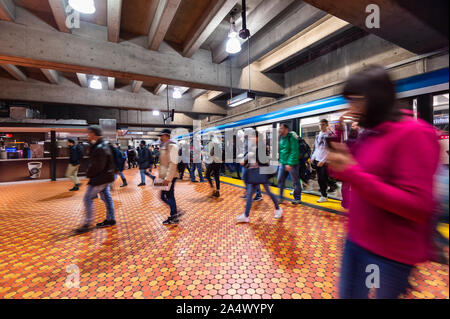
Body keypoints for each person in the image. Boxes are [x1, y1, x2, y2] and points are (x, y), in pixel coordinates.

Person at [327, 65, 440, 299]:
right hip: (356, 240)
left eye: (355, 101)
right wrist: (339, 139)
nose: (351, 108)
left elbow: (417, 205)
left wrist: (352, 172)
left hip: (389, 252)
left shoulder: (414, 134)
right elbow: (350, 173)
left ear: (375, 99)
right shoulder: (371, 133)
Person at [75, 126, 116, 233]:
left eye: (89, 133)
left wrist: (89, 173)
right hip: (106, 176)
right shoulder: (103, 145)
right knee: (106, 198)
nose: (88, 135)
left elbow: (98, 166)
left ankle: (87, 223)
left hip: (100, 178)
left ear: (94, 134)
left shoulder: (100, 147)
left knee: (87, 198)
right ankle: (111, 219)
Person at [236, 134, 283, 223]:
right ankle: (246, 215)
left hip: (261, 173)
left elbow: (263, 159)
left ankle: (278, 209)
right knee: (249, 194)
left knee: (269, 192)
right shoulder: (252, 147)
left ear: (258, 138)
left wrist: (250, 157)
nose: (252, 139)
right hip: (252, 173)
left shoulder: (262, 147)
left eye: (254, 137)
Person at [158, 129, 181, 225]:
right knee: (163, 196)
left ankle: (174, 215)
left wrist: (168, 178)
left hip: (170, 176)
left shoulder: (172, 146)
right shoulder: (165, 146)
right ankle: (175, 212)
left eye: (162, 135)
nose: (160, 137)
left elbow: (173, 163)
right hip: (164, 175)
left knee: (168, 195)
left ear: (167, 136)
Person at [277, 124, 302, 205]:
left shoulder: (292, 137)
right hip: (283, 163)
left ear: (286, 129)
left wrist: (289, 163)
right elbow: (281, 150)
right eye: (280, 128)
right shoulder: (281, 138)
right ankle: (280, 198)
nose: (280, 130)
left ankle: (297, 198)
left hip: (292, 163)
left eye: (281, 128)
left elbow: (294, 151)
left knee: (295, 181)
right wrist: (280, 159)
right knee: (280, 180)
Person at [311, 119, 333, 203]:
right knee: (320, 179)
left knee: (323, 178)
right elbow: (317, 148)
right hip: (317, 159)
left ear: (327, 125)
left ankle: (324, 195)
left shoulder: (329, 135)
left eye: (323, 124)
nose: (321, 126)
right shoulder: (318, 135)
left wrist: (323, 160)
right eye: (320, 124)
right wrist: (313, 157)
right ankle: (323, 195)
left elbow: (330, 150)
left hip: (325, 161)